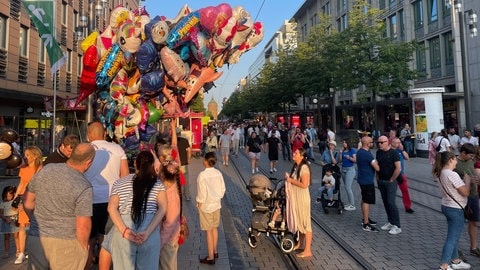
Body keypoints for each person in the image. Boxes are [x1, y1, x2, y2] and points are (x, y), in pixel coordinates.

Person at [23, 143, 96, 269]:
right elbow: (82, 225)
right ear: (88, 162)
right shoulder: (84, 186)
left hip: (38, 238)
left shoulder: (46, 170)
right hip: (67, 243)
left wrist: (36, 221)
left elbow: (28, 202)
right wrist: (84, 248)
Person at [107, 151, 167, 269]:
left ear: (135, 164)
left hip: (123, 229)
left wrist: (124, 230)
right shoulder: (158, 184)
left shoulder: (119, 183)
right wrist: (148, 232)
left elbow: (111, 208)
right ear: (152, 166)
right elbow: (162, 208)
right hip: (149, 229)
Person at [84, 121, 130, 270]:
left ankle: (86, 266)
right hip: (111, 201)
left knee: (88, 241)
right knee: (106, 240)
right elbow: (125, 176)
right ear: (104, 133)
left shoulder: (84, 149)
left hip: (88, 200)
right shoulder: (117, 149)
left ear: (89, 135)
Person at [434, 151, 472, 270]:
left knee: (454, 235)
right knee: (452, 237)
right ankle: (444, 265)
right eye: (455, 159)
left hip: (446, 206)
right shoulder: (452, 174)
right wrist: (467, 181)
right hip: (456, 209)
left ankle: (455, 261)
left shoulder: (439, 173)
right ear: (450, 160)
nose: (457, 161)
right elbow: (465, 192)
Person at [13, 145, 43, 264]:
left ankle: (33, 251)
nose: (25, 157)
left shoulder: (40, 168)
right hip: (23, 198)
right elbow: (21, 183)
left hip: (36, 200)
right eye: (25, 155)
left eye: (27, 155)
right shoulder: (24, 168)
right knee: (22, 226)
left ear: (35, 156)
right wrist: (15, 198)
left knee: (35, 227)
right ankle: (21, 252)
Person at [196, 152, 226, 265]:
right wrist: (217, 197)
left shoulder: (202, 175)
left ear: (206, 161)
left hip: (206, 205)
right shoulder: (218, 173)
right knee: (214, 228)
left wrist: (199, 202)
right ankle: (215, 251)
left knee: (208, 231)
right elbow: (223, 189)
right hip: (216, 204)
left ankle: (210, 257)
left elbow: (202, 193)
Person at [453, 143, 480, 258]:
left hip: (473, 195)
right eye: (470, 156)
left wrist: (476, 180)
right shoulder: (454, 162)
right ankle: (456, 250)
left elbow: (471, 174)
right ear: (463, 153)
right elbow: (450, 180)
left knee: (473, 222)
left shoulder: (470, 161)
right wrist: (466, 181)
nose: (472, 158)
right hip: (460, 197)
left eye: (473, 156)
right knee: (458, 224)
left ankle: (473, 248)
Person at [285, 148, 312, 258]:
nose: (293, 154)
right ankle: (300, 244)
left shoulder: (304, 168)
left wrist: (291, 181)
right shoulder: (297, 166)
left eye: (296, 153)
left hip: (302, 199)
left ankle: (308, 250)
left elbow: (305, 185)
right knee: (300, 223)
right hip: (297, 198)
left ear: (301, 156)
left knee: (306, 225)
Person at [376, 136, 402, 235]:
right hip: (381, 180)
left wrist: (392, 179)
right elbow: (378, 165)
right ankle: (391, 222)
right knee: (386, 202)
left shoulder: (394, 153)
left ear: (388, 142)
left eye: (382, 142)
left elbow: (398, 168)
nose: (380, 144)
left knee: (391, 202)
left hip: (390, 182)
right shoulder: (379, 152)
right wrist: (377, 177)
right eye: (379, 142)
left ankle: (397, 225)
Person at [159, 160, 182, 270]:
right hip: (168, 239)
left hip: (168, 240)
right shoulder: (171, 189)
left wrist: (160, 243)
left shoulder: (171, 196)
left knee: (168, 266)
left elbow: (169, 224)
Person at [356, 136, 380, 232]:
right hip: (367, 180)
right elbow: (377, 168)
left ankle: (365, 218)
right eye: (371, 142)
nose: (373, 143)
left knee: (364, 198)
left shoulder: (360, 152)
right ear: (367, 143)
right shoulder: (367, 154)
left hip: (362, 178)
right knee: (367, 200)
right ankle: (366, 223)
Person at [391, 137, 415, 213]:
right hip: (392, 175)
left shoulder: (400, 150)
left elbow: (407, 158)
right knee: (391, 191)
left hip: (401, 174)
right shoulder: (389, 151)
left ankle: (407, 207)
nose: (399, 144)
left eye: (399, 142)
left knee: (405, 190)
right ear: (392, 143)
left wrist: (402, 150)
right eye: (397, 143)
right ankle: (391, 206)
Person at [0, 186, 19, 259]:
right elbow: (0, 213)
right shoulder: (3, 203)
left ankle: (18, 250)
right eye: (6, 196)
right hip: (6, 221)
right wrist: (5, 219)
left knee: (16, 236)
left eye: (9, 196)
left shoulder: (14, 201)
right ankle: (6, 252)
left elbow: (18, 210)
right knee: (6, 237)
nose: (8, 197)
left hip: (14, 219)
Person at [175, 127, 191, 201]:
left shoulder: (173, 143)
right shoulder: (185, 140)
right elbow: (189, 151)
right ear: (180, 133)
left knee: (177, 180)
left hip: (176, 164)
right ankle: (187, 196)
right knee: (186, 180)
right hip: (184, 163)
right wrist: (188, 159)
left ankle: (179, 196)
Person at [340, 139, 357, 211]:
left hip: (350, 170)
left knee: (348, 187)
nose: (344, 144)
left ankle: (352, 205)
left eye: (345, 142)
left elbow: (355, 160)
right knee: (346, 187)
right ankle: (350, 203)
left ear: (348, 143)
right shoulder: (343, 150)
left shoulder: (352, 150)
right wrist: (340, 153)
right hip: (343, 169)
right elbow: (340, 160)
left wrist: (349, 157)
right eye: (343, 142)